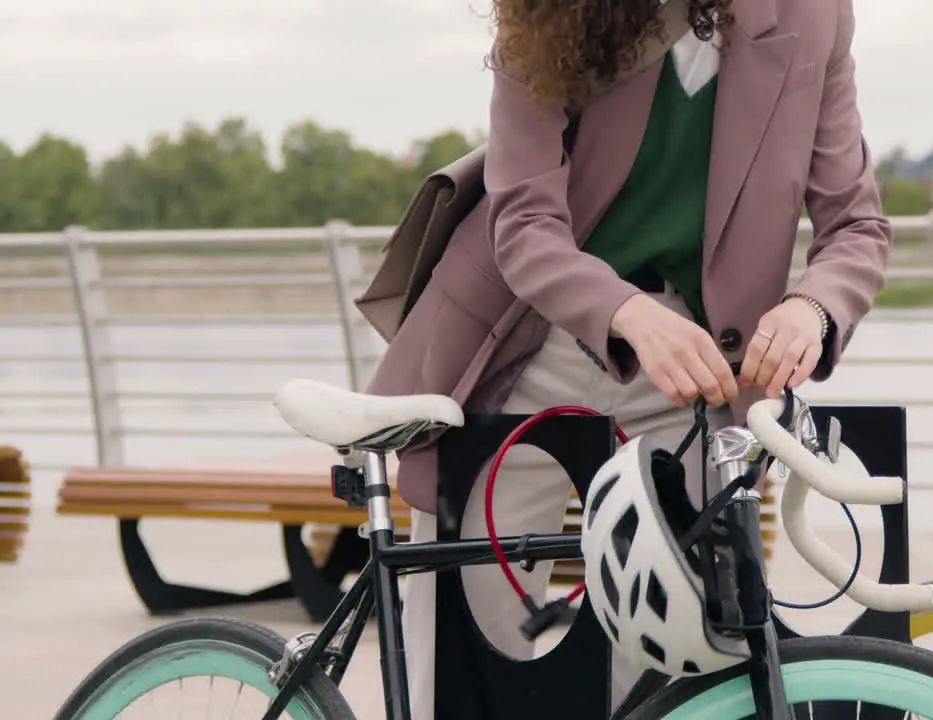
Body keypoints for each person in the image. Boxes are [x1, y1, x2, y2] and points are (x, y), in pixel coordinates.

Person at [364, 0, 891, 715]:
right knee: (466, 669)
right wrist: (629, 315)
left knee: (673, 662)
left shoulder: (815, 14)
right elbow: (523, 223)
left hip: (700, 374)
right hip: (528, 349)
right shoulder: (552, 12)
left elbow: (855, 224)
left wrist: (813, 307)